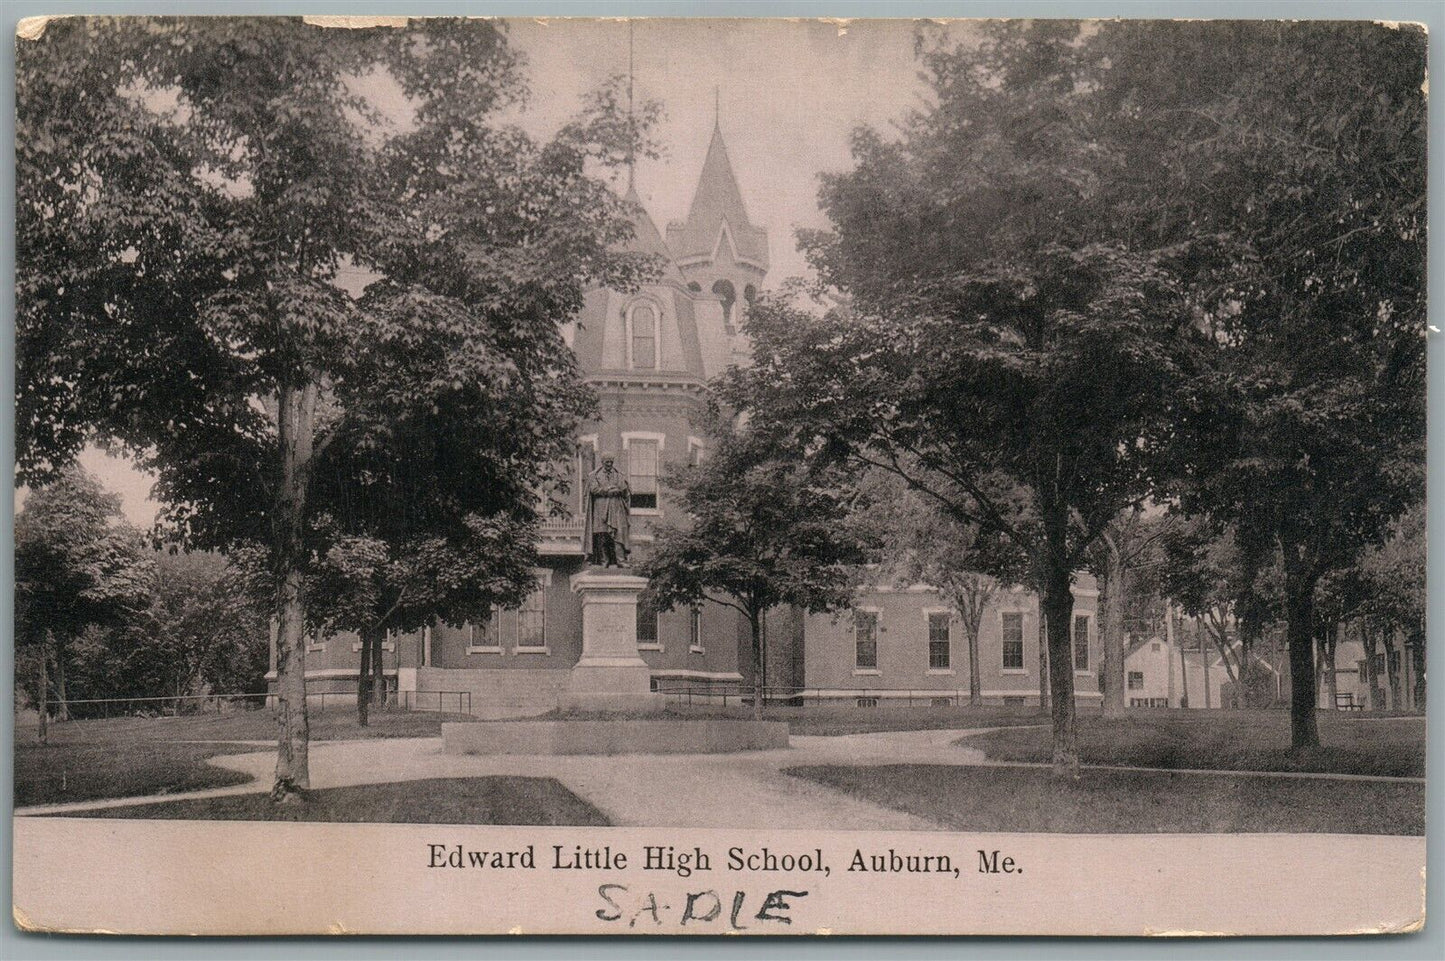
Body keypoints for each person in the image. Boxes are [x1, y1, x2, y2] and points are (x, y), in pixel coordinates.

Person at [585, 454, 631, 567]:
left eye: (611, 462)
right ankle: (603, 562)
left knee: (618, 534)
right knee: (602, 535)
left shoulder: (619, 475)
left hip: (616, 508)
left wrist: (618, 489)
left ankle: (621, 560)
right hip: (600, 508)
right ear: (602, 462)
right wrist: (608, 490)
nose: (609, 464)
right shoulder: (595, 475)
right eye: (607, 462)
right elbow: (594, 489)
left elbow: (624, 488)